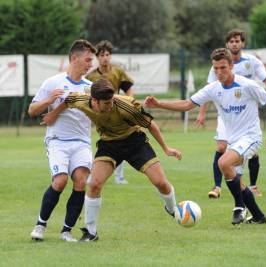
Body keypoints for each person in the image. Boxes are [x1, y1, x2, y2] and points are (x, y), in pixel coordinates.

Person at [145, 48, 266, 224]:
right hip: (234, 140)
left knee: (223, 162)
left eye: (223, 67)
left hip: (251, 137)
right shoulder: (213, 88)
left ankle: (239, 208)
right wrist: (159, 104)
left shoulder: (246, 85)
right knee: (233, 176)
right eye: (215, 68)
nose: (219, 72)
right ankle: (258, 216)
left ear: (231, 66)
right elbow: (187, 104)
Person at [41, 79, 182, 241]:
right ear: (94, 101)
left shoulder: (127, 105)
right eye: (107, 103)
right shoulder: (81, 100)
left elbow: (150, 124)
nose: (111, 105)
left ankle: (172, 208)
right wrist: (53, 113)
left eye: (112, 100)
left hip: (134, 142)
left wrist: (166, 148)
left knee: (161, 182)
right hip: (109, 144)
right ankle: (91, 232)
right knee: (93, 184)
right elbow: (68, 100)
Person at [196, 29, 266, 199]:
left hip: (245, 113)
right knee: (221, 147)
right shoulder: (217, 65)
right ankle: (218, 186)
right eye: (231, 41)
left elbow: (265, 79)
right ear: (227, 44)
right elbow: (207, 91)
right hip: (226, 114)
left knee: (251, 153)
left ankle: (252, 188)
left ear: (243, 43)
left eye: (237, 41)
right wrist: (201, 113)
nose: (234, 44)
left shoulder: (251, 62)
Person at [28, 39, 96, 242]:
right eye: (87, 59)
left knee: (81, 182)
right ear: (74, 58)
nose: (90, 64)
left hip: (82, 141)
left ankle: (66, 231)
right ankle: (40, 225)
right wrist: (49, 100)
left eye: (91, 60)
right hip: (57, 140)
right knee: (60, 181)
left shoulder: (90, 87)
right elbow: (32, 111)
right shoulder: (53, 82)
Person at [86, 40, 134, 185]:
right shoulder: (91, 76)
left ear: (110, 56)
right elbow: (87, 95)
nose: (105, 57)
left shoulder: (117, 71)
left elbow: (128, 88)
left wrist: (128, 103)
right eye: (101, 55)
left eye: (107, 54)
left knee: (119, 141)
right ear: (97, 57)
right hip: (99, 115)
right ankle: (92, 172)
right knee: (101, 142)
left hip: (116, 112)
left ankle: (119, 177)